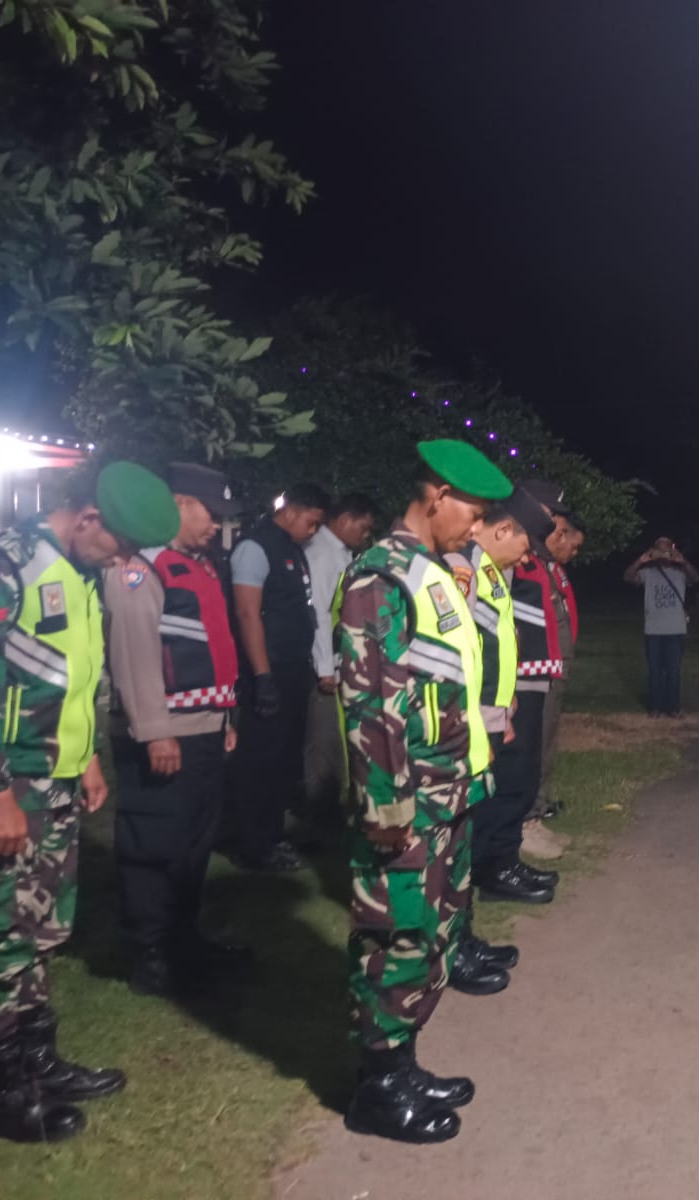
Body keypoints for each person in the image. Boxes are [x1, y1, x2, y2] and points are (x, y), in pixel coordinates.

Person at [0, 461, 179, 1141]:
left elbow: (71, 681)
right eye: (121, 546)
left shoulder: (78, 573)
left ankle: (34, 1059)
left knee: (37, 930)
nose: (123, 561)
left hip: (53, 784)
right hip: (3, 789)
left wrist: (87, 757)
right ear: (89, 517)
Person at [335, 439, 512, 1144]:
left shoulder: (429, 571)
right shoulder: (380, 575)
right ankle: (378, 1088)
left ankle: (402, 1065)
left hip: (447, 788)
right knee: (396, 934)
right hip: (405, 799)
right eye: (473, 511)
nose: (478, 526)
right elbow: (370, 700)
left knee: (432, 933)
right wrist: (386, 804)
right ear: (437, 495)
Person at [105, 463, 249, 997]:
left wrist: (224, 718)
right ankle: (151, 957)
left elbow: (210, 647)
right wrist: (154, 731)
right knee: (154, 844)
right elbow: (134, 653)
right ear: (180, 503)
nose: (217, 526)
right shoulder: (139, 567)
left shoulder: (198, 565)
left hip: (203, 729)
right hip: (163, 733)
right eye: (212, 514)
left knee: (193, 844)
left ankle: (183, 942)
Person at [443, 491, 557, 994]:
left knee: (466, 838)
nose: (527, 557)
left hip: (488, 716)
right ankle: (450, 947)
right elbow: (454, 653)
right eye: (526, 545)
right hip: (463, 722)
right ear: (504, 529)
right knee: (456, 843)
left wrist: (503, 709)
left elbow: (494, 643)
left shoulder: (488, 570)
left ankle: (461, 937)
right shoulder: (461, 567)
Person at [228, 482, 328, 871]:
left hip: (292, 670)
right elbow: (247, 613)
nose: (313, 531)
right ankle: (252, 845)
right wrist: (263, 676)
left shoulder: (291, 549)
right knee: (259, 760)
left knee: (282, 760)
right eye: (311, 522)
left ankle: (271, 836)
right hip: (266, 672)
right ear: (290, 511)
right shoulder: (255, 547)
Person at [482, 485, 569, 905]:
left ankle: (505, 859)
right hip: (504, 687)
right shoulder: (479, 566)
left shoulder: (509, 562)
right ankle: (494, 867)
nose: (527, 556)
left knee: (522, 774)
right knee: (508, 778)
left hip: (519, 684)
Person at [303, 493, 379, 839]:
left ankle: (333, 816)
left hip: (337, 663)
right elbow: (318, 613)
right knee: (325, 746)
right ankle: (321, 824)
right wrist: (324, 667)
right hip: (325, 668)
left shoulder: (339, 554)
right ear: (345, 519)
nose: (366, 536)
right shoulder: (322, 555)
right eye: (364, 528)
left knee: (338, 745)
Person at [533, 505, 585, 819]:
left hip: (557, 665)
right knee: (539, 735)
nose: (572, 551)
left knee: (548, 733)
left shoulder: (553, 568)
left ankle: (539, 799)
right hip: (544, 667)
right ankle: (534, 804)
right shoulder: (533, 566)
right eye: (572, 544)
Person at [624, 537, 699, 717]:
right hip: (653, 630)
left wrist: (683, 561)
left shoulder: (680, 572)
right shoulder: (648, 573)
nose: (664, 553)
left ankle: (673, 707)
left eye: (667, 549)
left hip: (675, 629)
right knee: (655, 671)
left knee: (673, 671)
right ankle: (655, 707)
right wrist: (641, 560)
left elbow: (696, 578)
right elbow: (627, 577)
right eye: (660, 549)